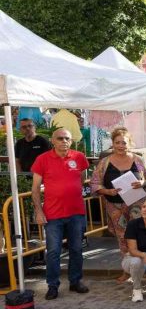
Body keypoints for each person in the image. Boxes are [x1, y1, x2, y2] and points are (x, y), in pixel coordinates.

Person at [89, 127, 146, 283]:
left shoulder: (138, 160)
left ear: (130, 143)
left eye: (124, 143)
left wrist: (142, 182)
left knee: (142, 234)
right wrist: (107, 191)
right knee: (122, 238)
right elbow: (94, 183)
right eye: (117, 142)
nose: (121, 146)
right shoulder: (105, 163)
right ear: (112, 143)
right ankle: (127, 270)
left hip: (138, 204)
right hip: (115, 205)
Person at [31, 128, 90, 300]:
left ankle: (75, 281)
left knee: (77, 249)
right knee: (54, 251)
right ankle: (52, 285)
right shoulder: (42, 159)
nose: (64, 141)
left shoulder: (79, 157)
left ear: (71, 141)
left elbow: (81, 179)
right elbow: (35, 190)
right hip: (53, 214)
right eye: (60, 138)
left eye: (67, 138)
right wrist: (38, 211)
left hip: (76, 212)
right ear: (52, 140)